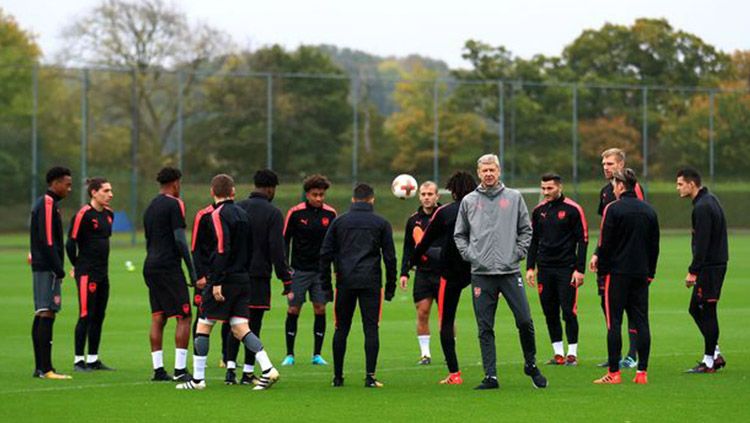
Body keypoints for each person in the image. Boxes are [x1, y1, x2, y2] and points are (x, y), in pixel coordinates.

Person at [177, 174, 280, 391]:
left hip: (224, 280)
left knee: (204, 325)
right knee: (240, 327)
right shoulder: (243, 213)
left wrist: (216, 281)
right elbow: (251, 247)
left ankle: (198, 380)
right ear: (232, 191)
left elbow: (222, 248)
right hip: (244, 278)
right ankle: (268, 368)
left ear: (212, 192)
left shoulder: (216, 214)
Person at [454, 154, 547, 390]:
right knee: (485, 327)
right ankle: (491, 376)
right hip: (481, 274)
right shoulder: (469, 201)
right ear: (478, 173)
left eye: (492, 170)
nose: (488, 174)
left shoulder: (514, 198)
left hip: (509, 271)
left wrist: (517, 253)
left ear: (499, 171)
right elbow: (460, 234)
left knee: (525, 320)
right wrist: (471, 255)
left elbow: (526, 230)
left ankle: (530, 364)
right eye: (484, 170)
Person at [320, 184, 397, 388]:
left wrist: (326, 286)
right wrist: (391, 286)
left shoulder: (339, 222)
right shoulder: (381, 223)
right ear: (372, 200)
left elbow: (325, 255)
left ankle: (338, 377)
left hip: (345, 281)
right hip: (371, 282)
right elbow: (390, 257)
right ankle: (370, 376)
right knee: (371, 328)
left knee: (341, 328)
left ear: (353, 200)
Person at [592, 168, 659, 385]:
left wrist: (602, 273)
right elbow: (654, 247)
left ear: (621, 185)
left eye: (614, 184)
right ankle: (642, 373)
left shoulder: (613, 209)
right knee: (642, 322)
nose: (613, 187)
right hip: (640, 274)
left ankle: (614, 373)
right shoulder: (649, 210)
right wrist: (650, 274)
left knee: (614, 323)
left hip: (617, 275)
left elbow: (605, 243)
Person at [411, 171, 477, 385]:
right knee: (485, 321)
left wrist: (414, 259)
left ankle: (455, 374)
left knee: (446, 321)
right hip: (480, 270)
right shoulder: (484, 210)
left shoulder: (444, 212)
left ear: (453, 190)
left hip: (450, 272)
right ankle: (491, 372)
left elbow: (425, 243)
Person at [229, 169, 292, 385]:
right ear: (271, 189)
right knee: (252, 324)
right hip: (258, 276)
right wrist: (285, 278)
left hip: (234, 274)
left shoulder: (237, 208)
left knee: (235, 323)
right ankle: (247, 373)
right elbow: (277, 249)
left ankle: (230, 371)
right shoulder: (273, 213)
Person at [589, 148, 644, 369]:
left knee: (630, 307)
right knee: (608, 304)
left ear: (621, 165)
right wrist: (596, 253)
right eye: (604, 164)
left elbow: (637, 222)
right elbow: (605, 230)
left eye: (610, 164)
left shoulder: (634, 190)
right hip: (609, 261)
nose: (606, 167)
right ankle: (616, 353)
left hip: (627, 262)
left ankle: (632, 354)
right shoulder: (605, 191)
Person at [525, 173, 588, 366]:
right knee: (549, 311)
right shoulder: (538, 211)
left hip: (566, 269)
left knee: (568, 311)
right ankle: (558, 353)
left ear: (559, 187)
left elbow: (583, 240)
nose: (545, 192)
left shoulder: (573, 209)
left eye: (549, 188)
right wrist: (530, 267)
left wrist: (580, 269)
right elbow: (533, 240)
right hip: (544, 269)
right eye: (543, 188)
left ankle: (573, 353)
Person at [142, 167, 197, 382]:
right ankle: (181, 370)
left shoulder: (150, 206)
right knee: (184, 316)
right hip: (168, 267)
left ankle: (158, 370)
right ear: (175, 183)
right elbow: (180, 239)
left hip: (150, 266)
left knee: (158, 316)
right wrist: (192, 272)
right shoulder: (175, 204)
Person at [676, 167, 728, 373]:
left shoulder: (703, 207)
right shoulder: (709, 200)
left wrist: (693, 271)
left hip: (710, 267)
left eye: (680, 184)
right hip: (714, 265)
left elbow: (702, 243)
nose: (677, 188)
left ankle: (709, 362)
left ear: (692, 184)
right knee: (698, 309)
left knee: (706, 310)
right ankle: (714, 353)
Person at [281, 174, 337, 366]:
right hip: (299, 270)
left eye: (322, 195)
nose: (319, 198)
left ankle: (317, 354)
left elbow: (335, 244)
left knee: (320, 308)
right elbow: (284, 240)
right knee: (294, 308)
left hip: (321, 272)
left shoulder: (330, 214)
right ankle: (290, 354)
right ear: (307, 194)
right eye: (315, 195)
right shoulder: (295, 213)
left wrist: (335, 268)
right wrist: (285, 267)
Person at [66, 177, 115, 372]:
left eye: (110, 190)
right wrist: (77, 266)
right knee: (86, 314)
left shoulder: (110, 214)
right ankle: (79, 360)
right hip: (87, 273)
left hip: (103, 273)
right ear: (94, 192)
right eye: (105, 190)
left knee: (99, 315)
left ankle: (93, 359)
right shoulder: (83, 214)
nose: (110, 194)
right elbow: (70, 244)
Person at [30, 166, 73, 379]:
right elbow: (47, 240)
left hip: (43, 266)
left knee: (43, 312)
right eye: (67, 184)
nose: (69, 188)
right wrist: (59, 269)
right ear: (55, 183)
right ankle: (45, 369)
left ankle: (41, 368)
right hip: (47, 268)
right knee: (46, 312)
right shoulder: (47, 204)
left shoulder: (49, 204)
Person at [400, 181, 441, 365]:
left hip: (443, 273)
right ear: (419, 196)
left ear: (437, 196)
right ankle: (425, 355)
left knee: (446, 315)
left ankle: (450, 352)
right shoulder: (413, 220)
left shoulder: (445, 216)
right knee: (423, 312)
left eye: (430, 194)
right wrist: (404, 272)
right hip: (423, 274)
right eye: (423, 194)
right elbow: (408, 248)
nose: (427, 197)